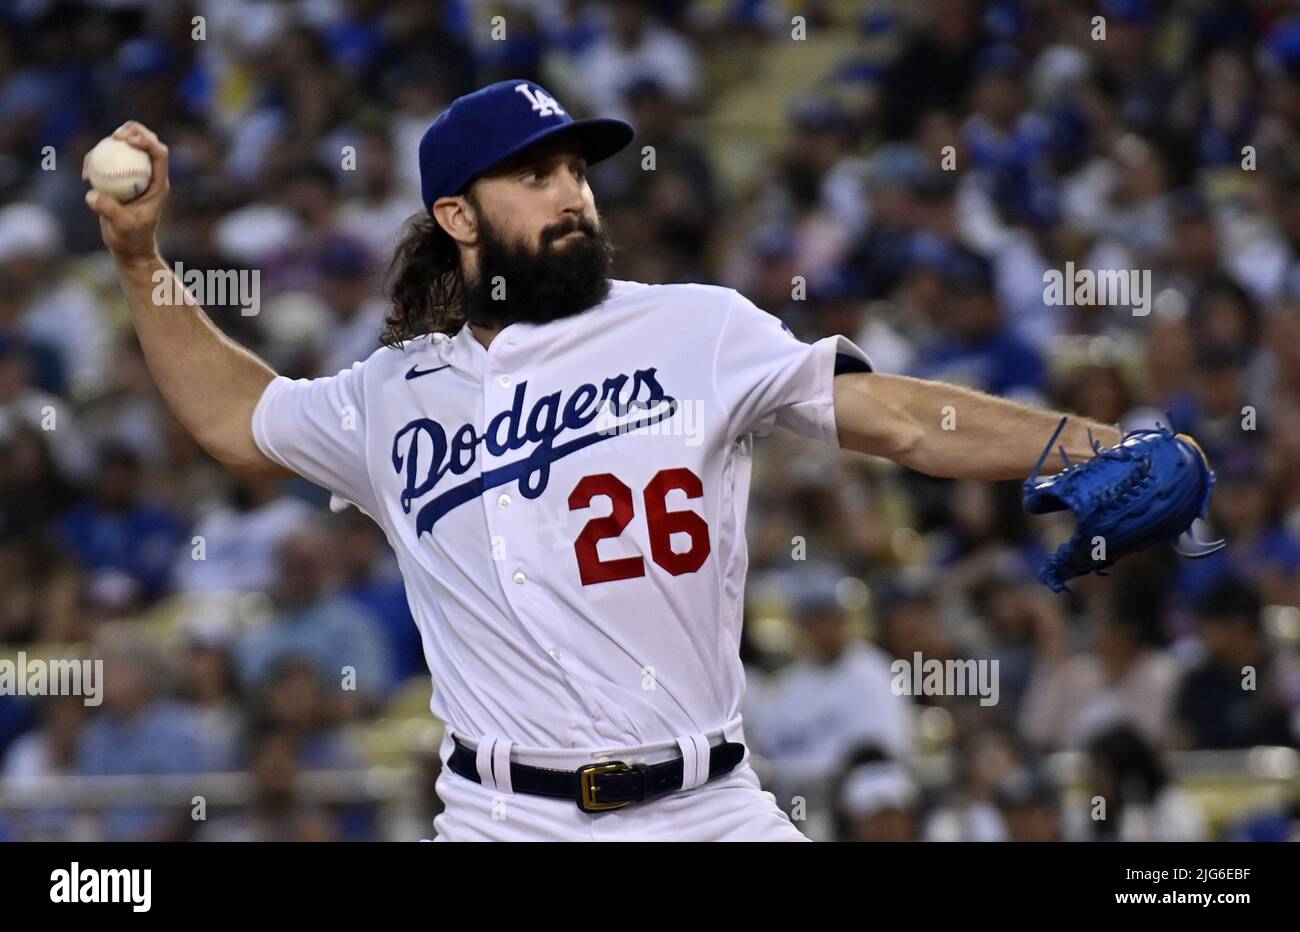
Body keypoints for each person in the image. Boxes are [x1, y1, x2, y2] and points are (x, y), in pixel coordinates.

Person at [86, 79, 1132, 842]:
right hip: (505, 817)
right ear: (457, 215)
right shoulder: (388, 396)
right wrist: (139, 263)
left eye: (577, 171)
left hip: (712, 806)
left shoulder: (697, 329)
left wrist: (1096, 445)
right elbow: (238, 415)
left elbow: (901, 418)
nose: (572, 194)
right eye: (534, 175)